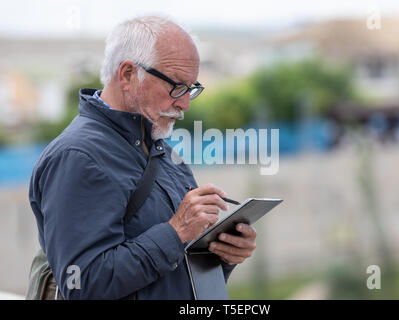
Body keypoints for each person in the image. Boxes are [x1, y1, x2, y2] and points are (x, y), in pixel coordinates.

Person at [28, 16, 257, 299]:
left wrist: (223, 256)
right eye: (176, 86)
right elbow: (81, 284)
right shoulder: (77, 157)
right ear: (127, 75)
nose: (184, 104)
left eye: (191, 89)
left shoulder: (162, 151)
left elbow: (176, 273)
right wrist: (175, 232)